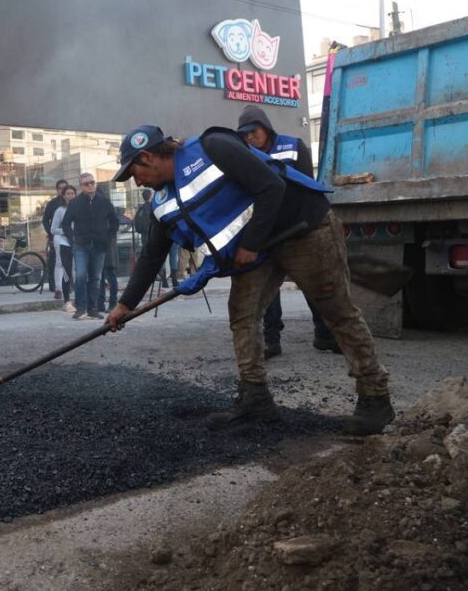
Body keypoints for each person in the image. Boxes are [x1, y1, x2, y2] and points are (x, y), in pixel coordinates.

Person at [105, 124, 393, 436]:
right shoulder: (162, 201)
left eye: (133, 172)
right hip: (261, 246)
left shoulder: (213, 147)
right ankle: (256, 398)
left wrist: (250, 244)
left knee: (337, 312)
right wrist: (125, 305)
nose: (135, 181)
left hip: (302, 229)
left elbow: (271, 187)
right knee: (243, 314)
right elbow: (152, 254)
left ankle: (375, 398)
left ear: (148, 157)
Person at [237, 105, 340, 360]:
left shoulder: (294, 146)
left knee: (312, 284)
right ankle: (272, 340)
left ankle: (325, 335)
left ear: (266, 126)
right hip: (269, 233)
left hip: (299, 229)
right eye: (245, 133)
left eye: (254, 130)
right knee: (269, 292)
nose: (250, 136)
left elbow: (306, 186)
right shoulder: (244, 156)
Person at [61, 172, 118, 320]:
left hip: (99, 246)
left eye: (92, 182)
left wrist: (108, 238)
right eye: (87, 183)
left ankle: (93, 308)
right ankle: (80, 308)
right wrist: (72, 238)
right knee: (80, 276)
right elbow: (66, 223)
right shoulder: (75, 203)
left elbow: (114, 221)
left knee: (96, 278)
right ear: (81, 186)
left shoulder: (104, 201)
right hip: (81, 245)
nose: (91, 185)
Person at [50, 184, 77, 312]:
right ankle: (66, 301)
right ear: (64, 196)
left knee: (80, 272)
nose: (70, 196)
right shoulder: (60, 210)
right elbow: (53, 229)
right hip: (65, 243)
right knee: (66, 271)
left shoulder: (80, 208)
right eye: (68, 194)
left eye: (72, 193)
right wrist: (66, 231)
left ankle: (80, 300)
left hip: (79, 243)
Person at [41, 179, 69, 298]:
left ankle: (68, 285)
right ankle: (55, 286)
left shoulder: (73, 203)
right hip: (56, 236)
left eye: (65, 188)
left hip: (71, 238)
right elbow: (45, 220)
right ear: (57, 190)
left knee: (69, 263)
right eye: (60, 188)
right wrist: (51, 234)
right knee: (56, 262)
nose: (62, 190)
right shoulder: (52, 204)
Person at [97, 233, 119, 314]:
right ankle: (100, 304)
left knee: (109, 276)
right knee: (100, 277)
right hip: (100, 245)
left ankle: (113, 303)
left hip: (108, 246)